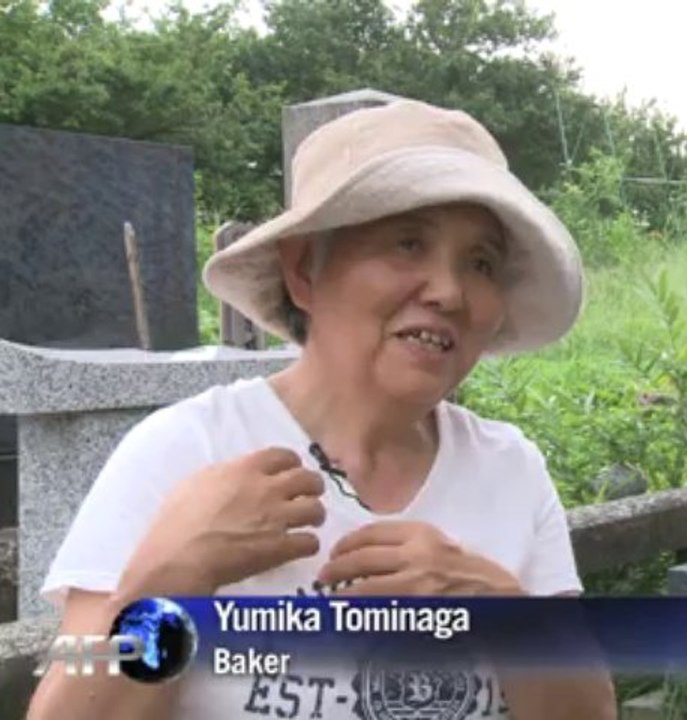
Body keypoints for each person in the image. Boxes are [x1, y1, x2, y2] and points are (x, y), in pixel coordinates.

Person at [28, 100, 617, 720]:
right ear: (306, 269)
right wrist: (176, 572)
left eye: (481, 263)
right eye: (408, 243)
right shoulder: (185, 451)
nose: (448, 291)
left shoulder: (510, 470)